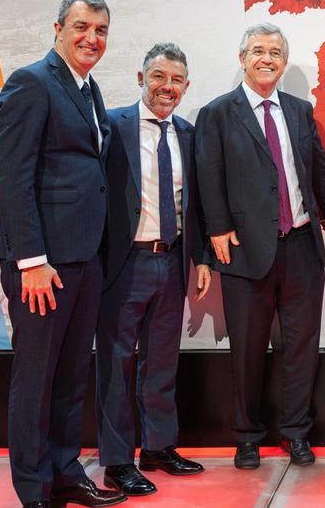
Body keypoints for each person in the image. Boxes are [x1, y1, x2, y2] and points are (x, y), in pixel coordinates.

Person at [195, 23, 325, 469]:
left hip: (301, 248)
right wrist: (217, 229)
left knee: (301, 347)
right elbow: (208, 177)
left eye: (275, 52)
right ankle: (247, 437)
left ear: (284, 61)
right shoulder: (218, 113)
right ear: (242, 59)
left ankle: (296, 432)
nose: (267, 59)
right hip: (244, 252)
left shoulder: (299, 110)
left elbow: (321, 175)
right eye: (258, 51)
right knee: (247, 350)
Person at [0, 0, 125, 507]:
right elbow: (11, 178)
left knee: (70, 376)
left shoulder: (89, 88)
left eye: (101, 30)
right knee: (37, 376)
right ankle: (34, 487)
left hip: (84, 257)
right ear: (58, 28)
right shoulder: (31, 82)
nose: (92, 38)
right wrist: (32, 262)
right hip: (43, 264)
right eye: (82, 26)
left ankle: (65, 472)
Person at [95, 43, 212, 495]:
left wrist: (200, 258)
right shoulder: (112, 125)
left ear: (186, 86)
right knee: (117, 364)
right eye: (159, 77)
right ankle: (117, 461)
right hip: (123, 265)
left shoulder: (188, 133)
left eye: (176, 80)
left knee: (162, 361)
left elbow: (195, 206)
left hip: (172, 260)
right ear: (140, 78)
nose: (168, 86)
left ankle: (158, 447)